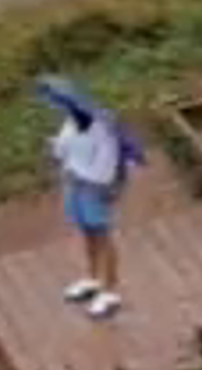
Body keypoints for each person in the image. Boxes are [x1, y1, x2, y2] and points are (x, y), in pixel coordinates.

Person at [38, 73, 141, 316]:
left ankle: (110, 291)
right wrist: (55, 148)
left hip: (93, 190)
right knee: (86, 231)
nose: (62, 109)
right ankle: (92, 279)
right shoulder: (70, 123)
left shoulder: (102, 131)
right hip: (74, 186)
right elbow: (64, 150)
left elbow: (105, 169)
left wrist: (80, 176)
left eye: (65, 104)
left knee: (103, 236)